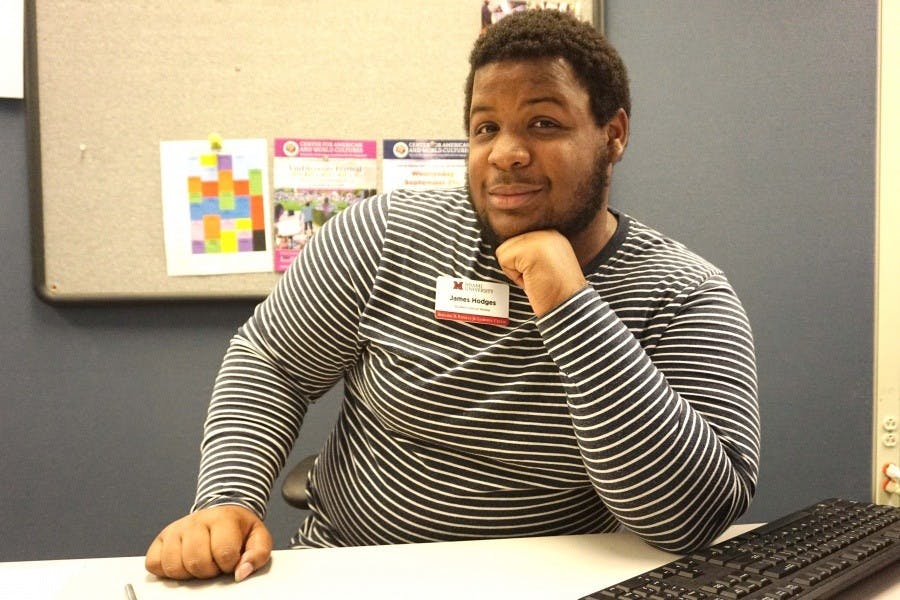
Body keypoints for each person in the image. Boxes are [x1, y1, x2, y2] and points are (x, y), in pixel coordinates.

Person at [145, 9, 760, 583]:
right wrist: (228, 496)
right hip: (354, 571)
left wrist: (569, 302)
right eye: (485, 127)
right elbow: (271, 363)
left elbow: (691, 518)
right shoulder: (386, 235)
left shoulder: (685, 294)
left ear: (614, 134)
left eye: (543, 124)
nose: (506, 154)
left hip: (555, 584)